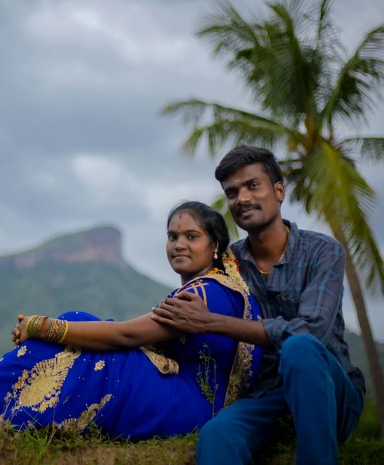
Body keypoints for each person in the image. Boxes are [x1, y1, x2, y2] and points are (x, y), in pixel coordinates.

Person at [0, 201, 264, 439]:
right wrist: (53, 328)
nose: (179, 244)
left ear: (215, 246)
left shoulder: (207, 292)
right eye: (172, 235)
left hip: (189, 404)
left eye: (191, 236)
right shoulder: (210, 287)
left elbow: (129, 335)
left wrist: (44, 326)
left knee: (79, 332)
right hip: (178, 393)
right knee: (77, 329)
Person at [151, 146, 365, 464]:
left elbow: (310, 331)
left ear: (278, 191)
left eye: (253, 185)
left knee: (299, 348)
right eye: (232, 192)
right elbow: (188, 309)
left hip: (328, 389)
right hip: (267, 395)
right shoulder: (226, 262)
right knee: (217, 435)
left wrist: (211, 321)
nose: (242, 198)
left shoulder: (322, 251)